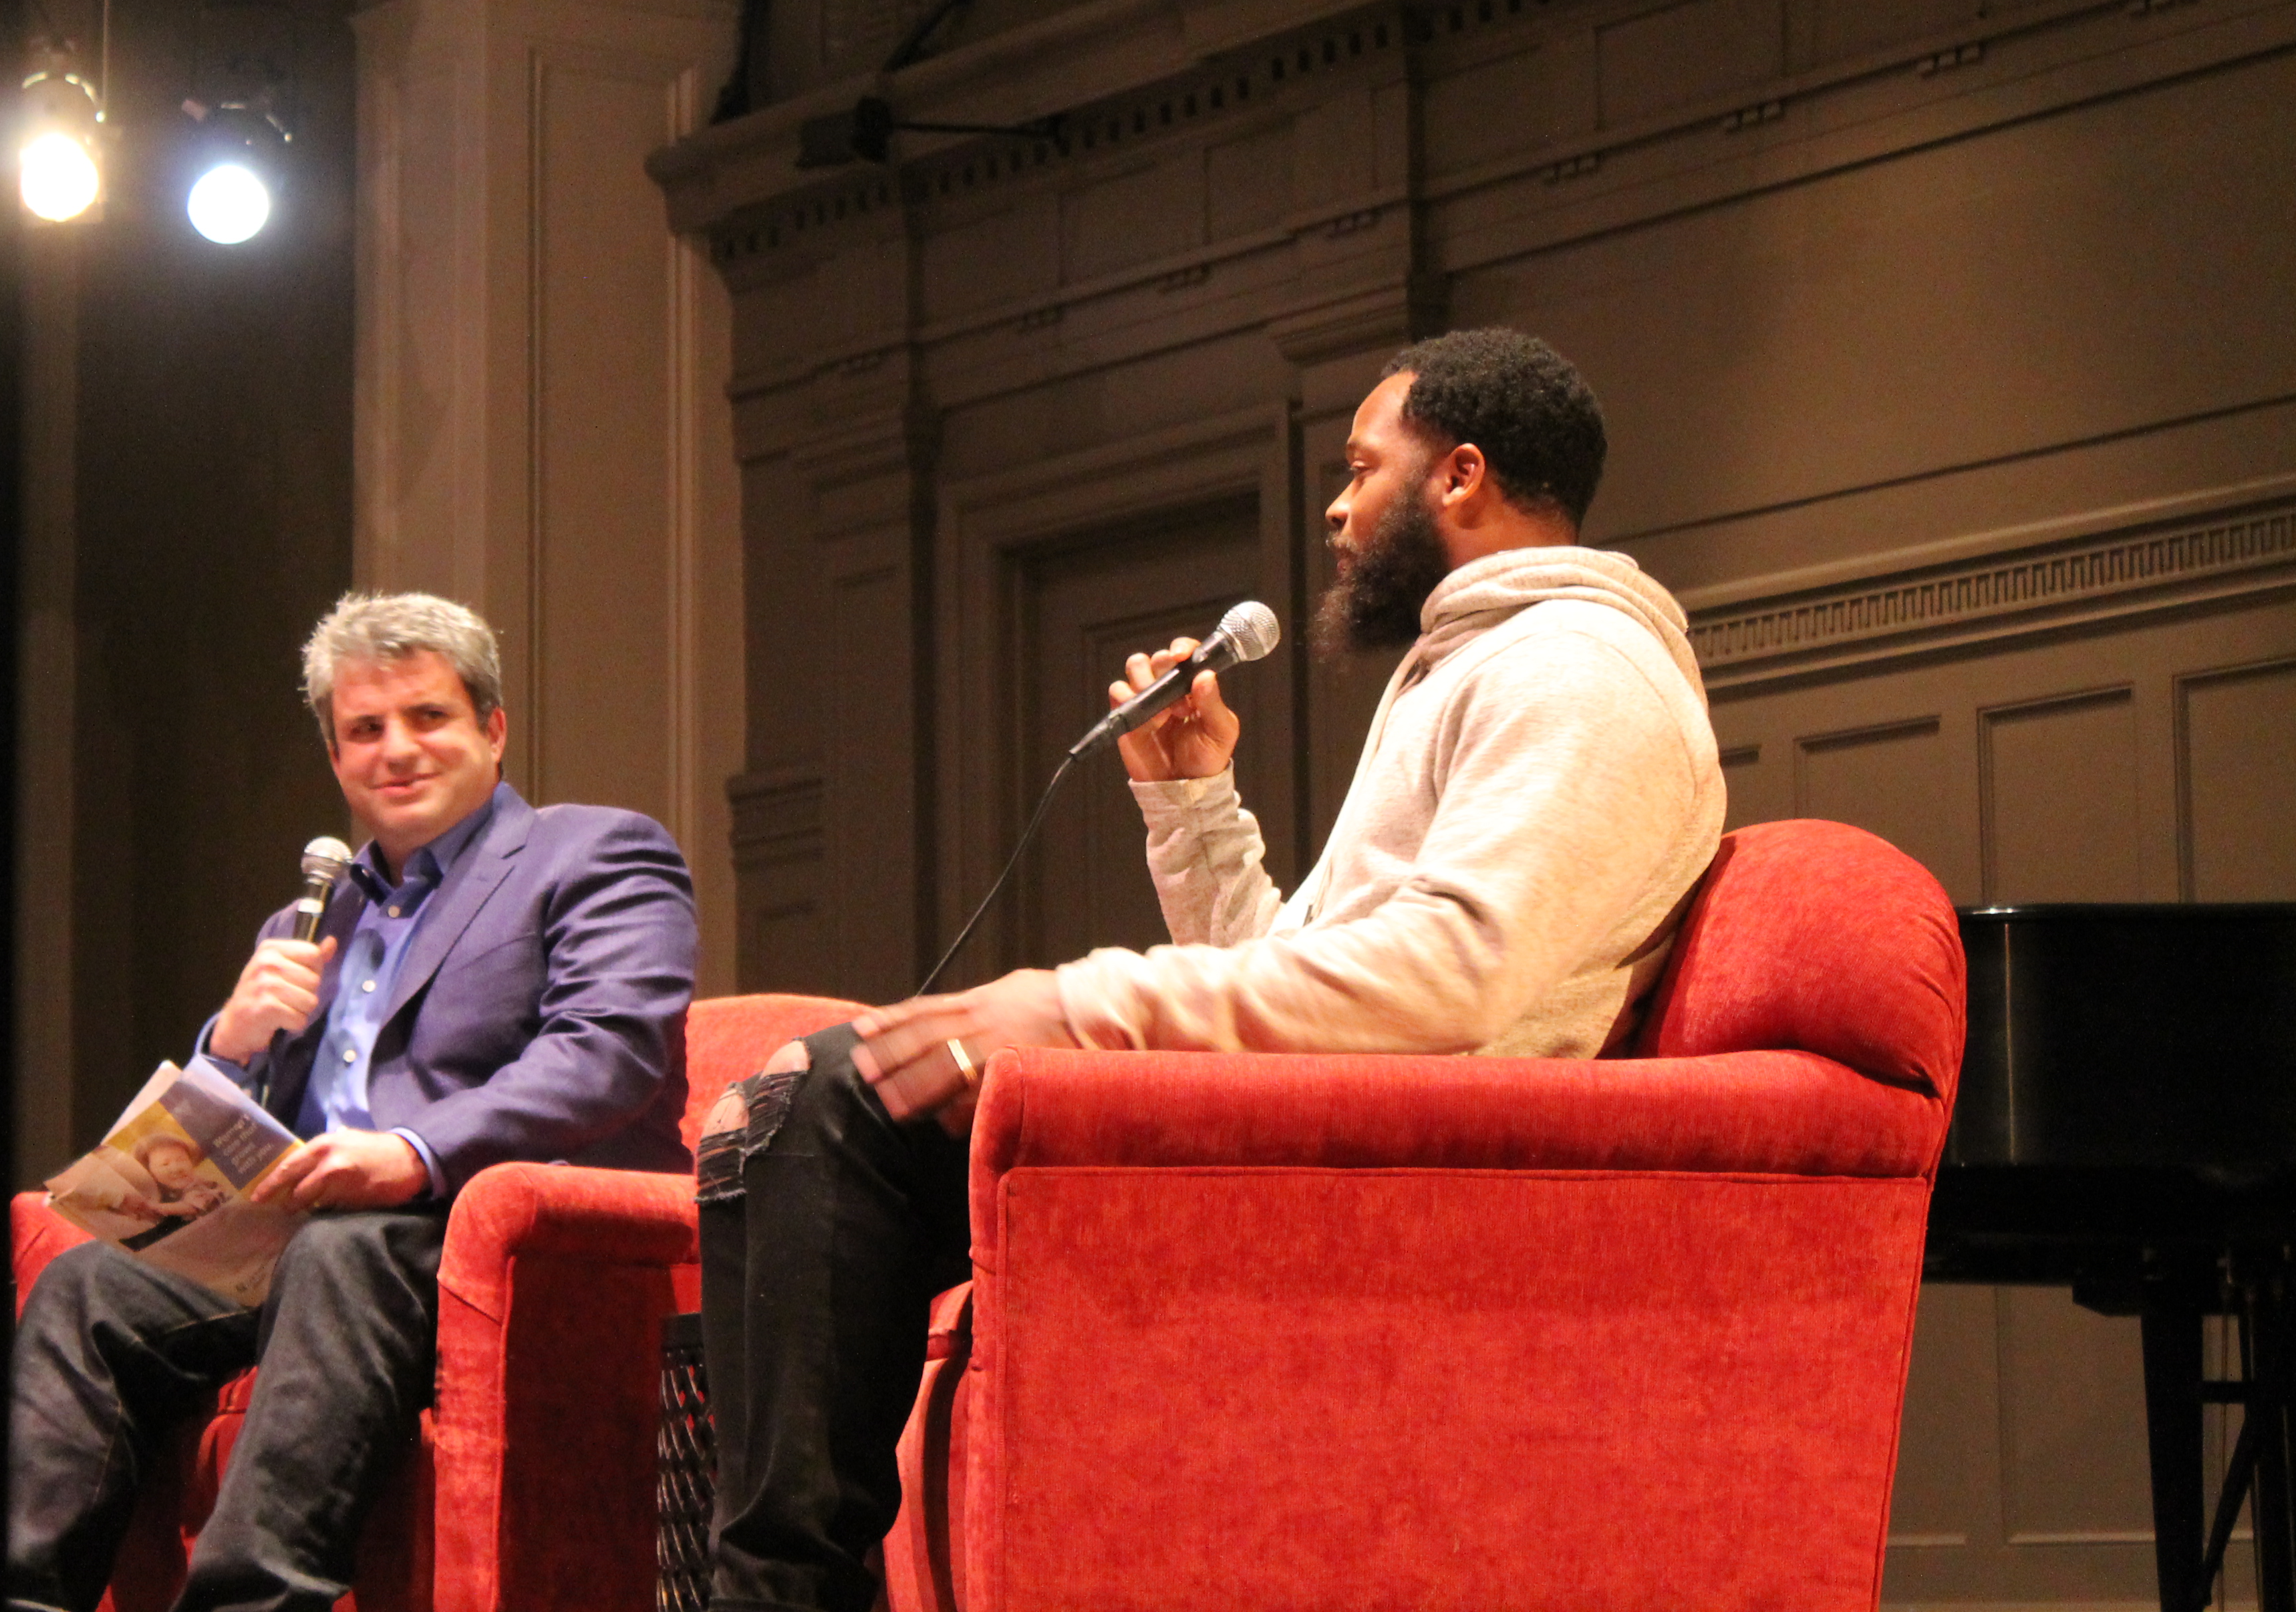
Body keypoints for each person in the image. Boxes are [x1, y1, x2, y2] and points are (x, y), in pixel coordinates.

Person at [694, 329, 1727, 1612]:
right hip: (1340, 1132)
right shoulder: (1476, 663)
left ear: (1461, 477)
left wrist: (1075, 1005)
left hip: (1408, 1183)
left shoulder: (1577, 671)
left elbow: (1453, 977)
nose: (1339, 507)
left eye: (1363, 467)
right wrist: (1194, 807)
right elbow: (1312, 978)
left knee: (840, 1104)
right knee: (783, 1110)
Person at [9, 591, 699, 1612]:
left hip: (470, 1226)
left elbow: (608, 1051)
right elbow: (239, 1126)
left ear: (493, 729)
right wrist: (232, 1042)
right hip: (296, 1232)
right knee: (88, 1286)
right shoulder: (306, 920)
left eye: (429, 717)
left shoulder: (595, 854)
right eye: (366, 730)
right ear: (336, 759)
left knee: (344, 1252)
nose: (398, 750)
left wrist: (414, 1152)